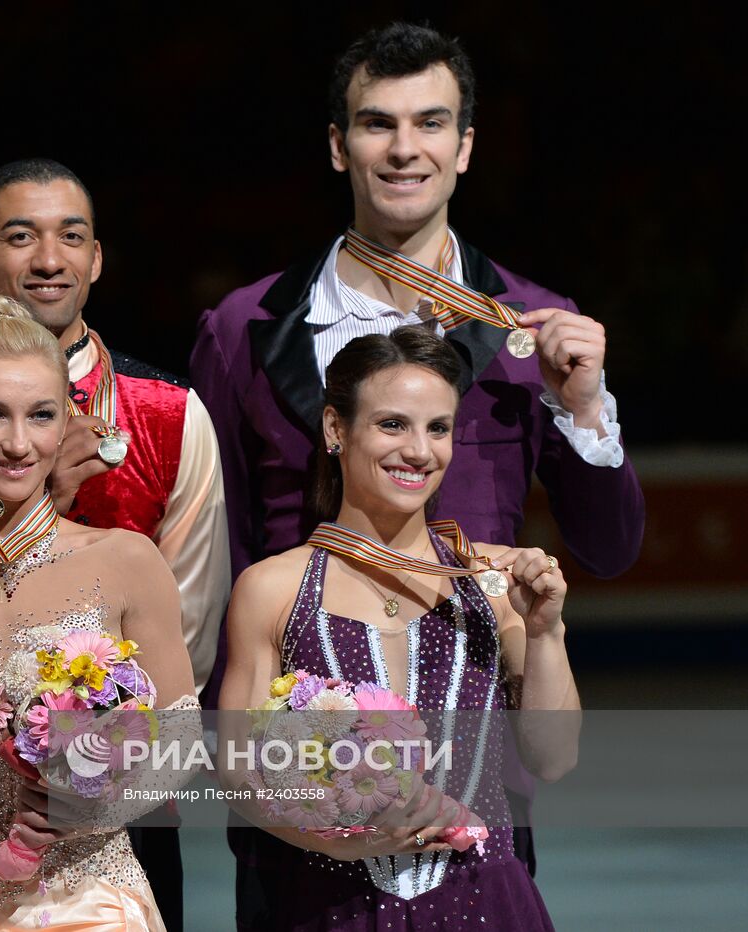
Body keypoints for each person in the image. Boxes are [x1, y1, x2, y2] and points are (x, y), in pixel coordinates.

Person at [189, 21, 642, 881]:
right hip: (300, 765)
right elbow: (220, 550)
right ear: (338, 145)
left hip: (475, 758)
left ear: (465, 147)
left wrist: (580, 406)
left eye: (431, 123)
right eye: (377, 124)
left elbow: (610, 549)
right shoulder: (246, 327)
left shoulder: (535, 327)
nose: (405, 149)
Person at [0, 158, 228, 929]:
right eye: (21, 236)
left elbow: (180, 677)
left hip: (103, 870)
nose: (48, 259)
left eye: (41, 417)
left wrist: (91, 789)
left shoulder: (167, 431)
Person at [218, 326, 578, 930]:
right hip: (329, 905)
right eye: (392, 425)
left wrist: (544, 634)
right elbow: (236, 768)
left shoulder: (493, 576)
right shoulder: (272, 588)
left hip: (485, 904)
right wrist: (328, 838)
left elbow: (554, 757)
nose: (419, 450)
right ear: (336, 429)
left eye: (438, 428)